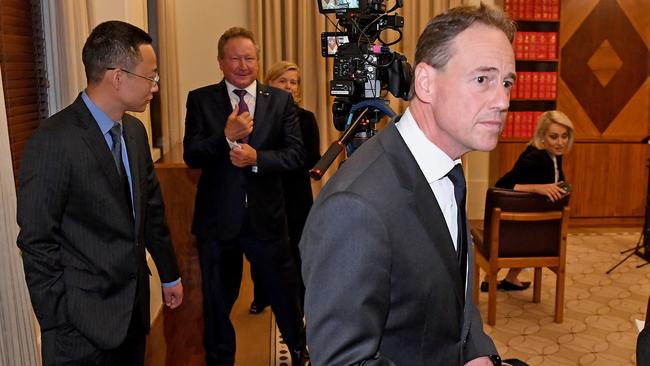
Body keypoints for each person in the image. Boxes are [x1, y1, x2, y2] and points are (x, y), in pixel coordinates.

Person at [300, 4, 515, 365]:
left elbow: (456, 300)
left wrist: (478, 354)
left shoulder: (447, 168)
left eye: (507, 82)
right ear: (426, 82)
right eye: (482, 79)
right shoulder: (355, 207)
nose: (502, 100)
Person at [16, 20, 183, 366]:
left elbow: (150, 212)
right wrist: (59, 320)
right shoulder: (53, 141)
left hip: (132, 317)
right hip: (79, 330)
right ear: (118, 77)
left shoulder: (135, 134)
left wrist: (169, 274)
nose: (155, 85)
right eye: (149, 75)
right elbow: (36, 240)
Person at [182, 27, 307, 365]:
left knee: (285, 296)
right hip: (217, 223)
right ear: (221, 61)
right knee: (217, 304)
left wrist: (258, 159)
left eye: (249, 58)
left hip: (266, 220)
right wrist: (224, 138)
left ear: (257, 61)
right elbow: (191, 155)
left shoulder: (279, 101)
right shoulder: (201, 99)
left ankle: (299, 351)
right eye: (235, 58)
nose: (242, 65)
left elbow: (297, 155)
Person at [249, 61, 321, 314]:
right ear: (270, 83)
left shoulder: (307, 119)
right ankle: (262, 296)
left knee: (297, 249)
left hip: (296, 194)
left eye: (294, 82)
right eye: (283, 80)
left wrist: (277, 159)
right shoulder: (256, 117)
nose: (289, 86)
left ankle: (300, 299)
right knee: (261, 247)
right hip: (264, 191)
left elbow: (311, 157)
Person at [480, 110, 574, 292]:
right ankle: (489, 278)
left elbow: (555, 182)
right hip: (518, 228)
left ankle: (510, 278)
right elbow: (503, 186)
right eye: (554, 137)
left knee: (530, 227)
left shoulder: (553, 155)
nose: (560, 142)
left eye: (564, 136)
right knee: (522, 231)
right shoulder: (535, 157)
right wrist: (537, 188)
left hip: (531, 223)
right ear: (542, 136)